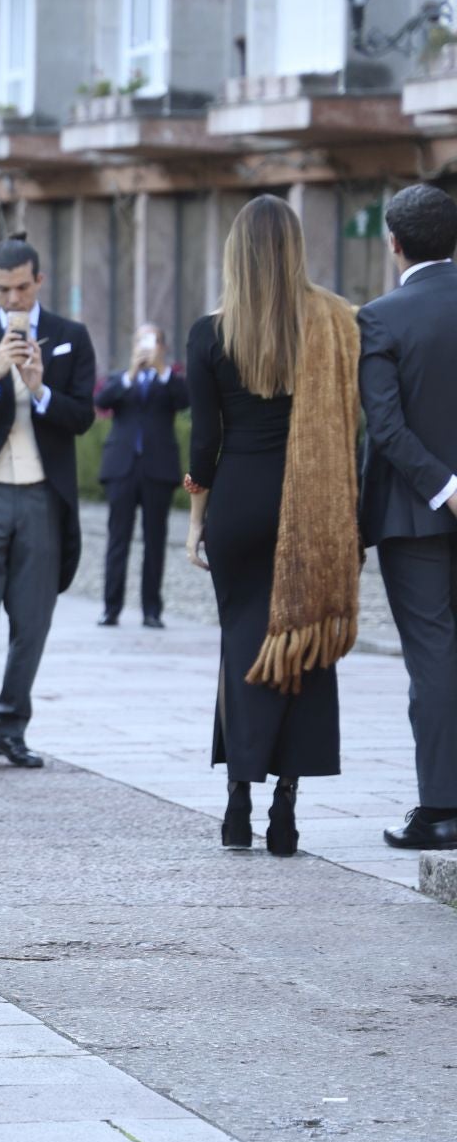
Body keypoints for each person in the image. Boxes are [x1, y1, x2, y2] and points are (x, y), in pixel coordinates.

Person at [186, 195, 360, 856]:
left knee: (244, 649)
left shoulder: (211, 333)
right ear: (296, 250)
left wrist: (197, 521)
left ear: (236, 254)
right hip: (313, 506)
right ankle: (286, 809)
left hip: (239, 505)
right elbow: (353, 427)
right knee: (306, 650)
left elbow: (204, 444)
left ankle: (238, 802)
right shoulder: (335, 322)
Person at [0, 234, 97, 773]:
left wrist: (41, 388)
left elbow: (82, 418)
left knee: (32, 622)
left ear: (40, 283)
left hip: (41, 495)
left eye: (23, 288)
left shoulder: (70, 337)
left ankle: (12, 724)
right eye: (4, 289)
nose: (14, 299)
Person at [356, 184, 457, 851]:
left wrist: (446, 488)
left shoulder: (380, 317)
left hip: (415, 519)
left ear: (393, 242)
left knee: (434, 660)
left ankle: (442, 811)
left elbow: (385, 429)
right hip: (426, 509)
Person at [96, 322, 188, 629]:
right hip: (122, 466)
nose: (147, 348)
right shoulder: (121, 378)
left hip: (157, 468)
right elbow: (103, 401)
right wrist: (131, 374)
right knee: (117, 538)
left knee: (155, 539)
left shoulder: (170, 380)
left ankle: (152, 609)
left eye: (153, 341)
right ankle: (111, 607)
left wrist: (163, 371)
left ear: (163, 346)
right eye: (141, 341)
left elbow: (184, 400)